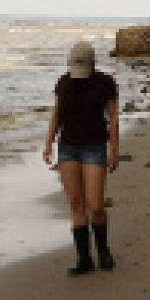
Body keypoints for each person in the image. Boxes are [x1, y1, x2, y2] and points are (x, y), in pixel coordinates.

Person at [43, 41, 119, 276]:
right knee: (76, 204)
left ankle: (103, 251)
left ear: (92, 65)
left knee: (96, 204)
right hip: (68, 148)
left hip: (95, 147)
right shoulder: (64, 83)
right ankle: (84, 258)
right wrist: (48, 144)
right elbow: (56, 115)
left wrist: (114, 150)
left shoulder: (106, 83)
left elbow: (114, 118)